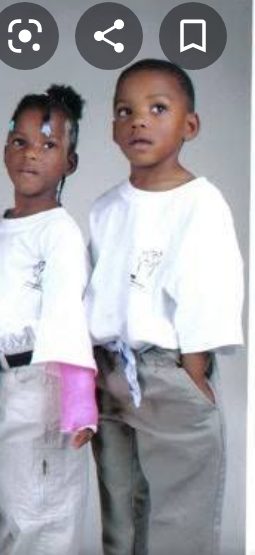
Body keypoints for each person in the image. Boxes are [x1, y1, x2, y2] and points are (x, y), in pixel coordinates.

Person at [86, 58, 244, 555]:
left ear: (189, 125)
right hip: (111, 370)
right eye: (125, 111)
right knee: (121, 505)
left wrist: (193, 368)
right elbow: (96, 290)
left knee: (181, 510)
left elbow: (210, 286)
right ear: (113, 128)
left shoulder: (200, 202)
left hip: (169, 369)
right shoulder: (106, 208)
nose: (139, 121)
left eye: (158, 109)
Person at [0, 85, 98, 555]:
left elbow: (68, 316)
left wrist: (79, 402)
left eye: (49, 145)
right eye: (21, 141)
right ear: (5, 149)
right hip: (0, 386)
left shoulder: (59, 232)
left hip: (42, 388)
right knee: (11, 505)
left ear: (70, 161)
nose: (32, 154)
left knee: (42, 513)